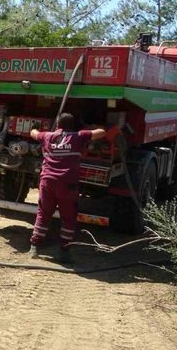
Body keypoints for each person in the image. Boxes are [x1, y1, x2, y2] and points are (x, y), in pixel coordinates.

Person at [28, 113, 115, 263]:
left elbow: (33, 133)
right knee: (68, 218)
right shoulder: (78, 136)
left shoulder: (47, 136)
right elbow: (101, 133)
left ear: (58, 125)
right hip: (67, 184)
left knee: (43, 213)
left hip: (47, 182)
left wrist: (34, 128)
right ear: (73, 125)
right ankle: (64, 251)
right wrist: (105, 127)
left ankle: (34, 247)